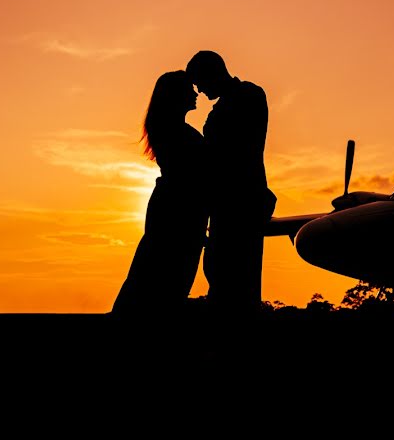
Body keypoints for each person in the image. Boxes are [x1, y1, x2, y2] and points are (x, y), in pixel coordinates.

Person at [185, 50, 276, 321]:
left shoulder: (248, 96)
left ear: (212, 73)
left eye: (200, 82)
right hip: (228, 202)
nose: (199, 91)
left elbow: (233, 153)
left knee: (237, 278)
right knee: (220, 272)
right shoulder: (231, 102)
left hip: (240, 202)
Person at [111, 70, 209, 318]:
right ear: (176, 94)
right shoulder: (175, 131)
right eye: (189, 87)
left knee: (157, 273)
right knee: (164, 275)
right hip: (178, 208)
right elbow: (194, 173)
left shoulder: (171, 128)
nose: (195, 92)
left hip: (177, 205)